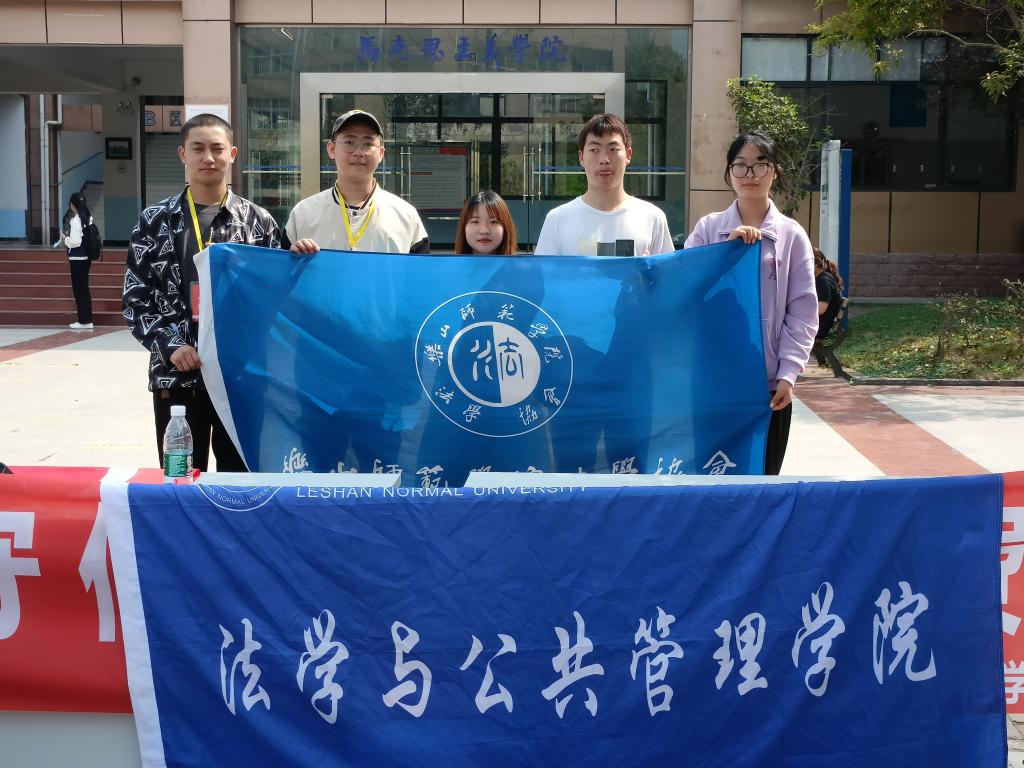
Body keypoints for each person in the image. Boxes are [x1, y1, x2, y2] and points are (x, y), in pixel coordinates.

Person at [122, 113, 281, 472]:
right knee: (180, 480)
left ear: (232, 154)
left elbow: (276, 298)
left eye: (217, 148)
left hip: (239, 378)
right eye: (198, 148)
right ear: (182, 154)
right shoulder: (154, 221)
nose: (208, 157)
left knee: (239, 483)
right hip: (176, 374)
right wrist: (170, 346)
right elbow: (135, 299)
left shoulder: (259, 223)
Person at [684, 131, 818, 475]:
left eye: (761, 165)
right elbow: (686, 292)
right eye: (740, 165)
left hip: (768, 387)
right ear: (729, 172)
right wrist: (725, 253)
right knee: (711, 478)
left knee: (763, 480)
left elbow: (802, 312)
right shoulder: (708, 229)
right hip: (714, 382)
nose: (750, 174)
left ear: (775, 171)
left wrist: (789, 373)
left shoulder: (792, 235)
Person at [285, 109, 428, 255]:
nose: (359, 152)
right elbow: (281, 267)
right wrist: (292, 260)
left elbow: (421, 269)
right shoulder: (303, 214)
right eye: (349, 142)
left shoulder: (406, 216)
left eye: (368, 144)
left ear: (381, 153)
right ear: (332, 149)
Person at [534, 113, 674, 257]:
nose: (604, 159)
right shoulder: (558, 219)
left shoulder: (652, 218)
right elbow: (543, 272)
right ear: (581, 157)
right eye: (594, 150)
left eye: (613, 149)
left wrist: (648, 269)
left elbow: (669, 271)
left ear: (628, 155)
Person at [64, 192, 94, 330]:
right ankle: (86, 319)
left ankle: (84, 321)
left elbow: (75, 242)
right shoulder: (88, 218)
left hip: (77, 259)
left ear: (72, 205)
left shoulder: (75, 221)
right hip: (86, 258)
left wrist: (65, 239)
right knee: (84, 290)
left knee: (79, 290)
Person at [454, 190, 518, 255]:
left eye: (493, 222)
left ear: (506, 227)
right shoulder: (450, 262)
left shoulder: (519, 261)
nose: (484, 231)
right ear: (464, 227)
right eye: (475, 221)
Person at [813, 247, 844, 340]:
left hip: (820, 328)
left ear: (815, 264)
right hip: (820, 325)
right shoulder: (824, 277)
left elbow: (820, 310)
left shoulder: (823, 281)